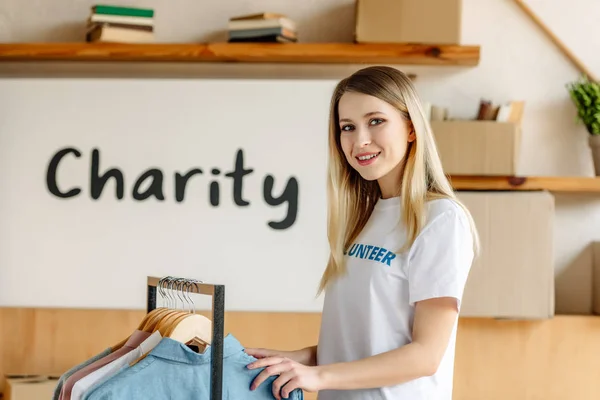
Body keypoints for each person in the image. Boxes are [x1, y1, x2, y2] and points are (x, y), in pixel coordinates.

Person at [244, 66, 479, 400]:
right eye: (347, 127)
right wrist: (296, 361)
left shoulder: (440, 219)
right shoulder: (362, 220)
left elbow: (426, 355)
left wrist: (319, 375)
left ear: (411, 128)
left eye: (376, 121)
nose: (360, 140)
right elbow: (364, 343)